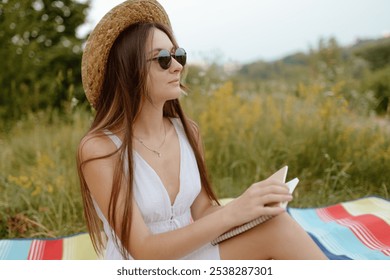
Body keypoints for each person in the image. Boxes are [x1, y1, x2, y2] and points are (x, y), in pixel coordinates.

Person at [77, 0, 327, 260]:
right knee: (278, 232)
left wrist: (251, 206)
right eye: (163, 59)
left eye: (178, 55)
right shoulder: (99, 148)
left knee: (277, 225)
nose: (177, 66)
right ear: (129, 71)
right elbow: (145, 250)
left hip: (191, 254)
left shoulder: (188, 132)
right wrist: (234, 211)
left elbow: (203, 210)